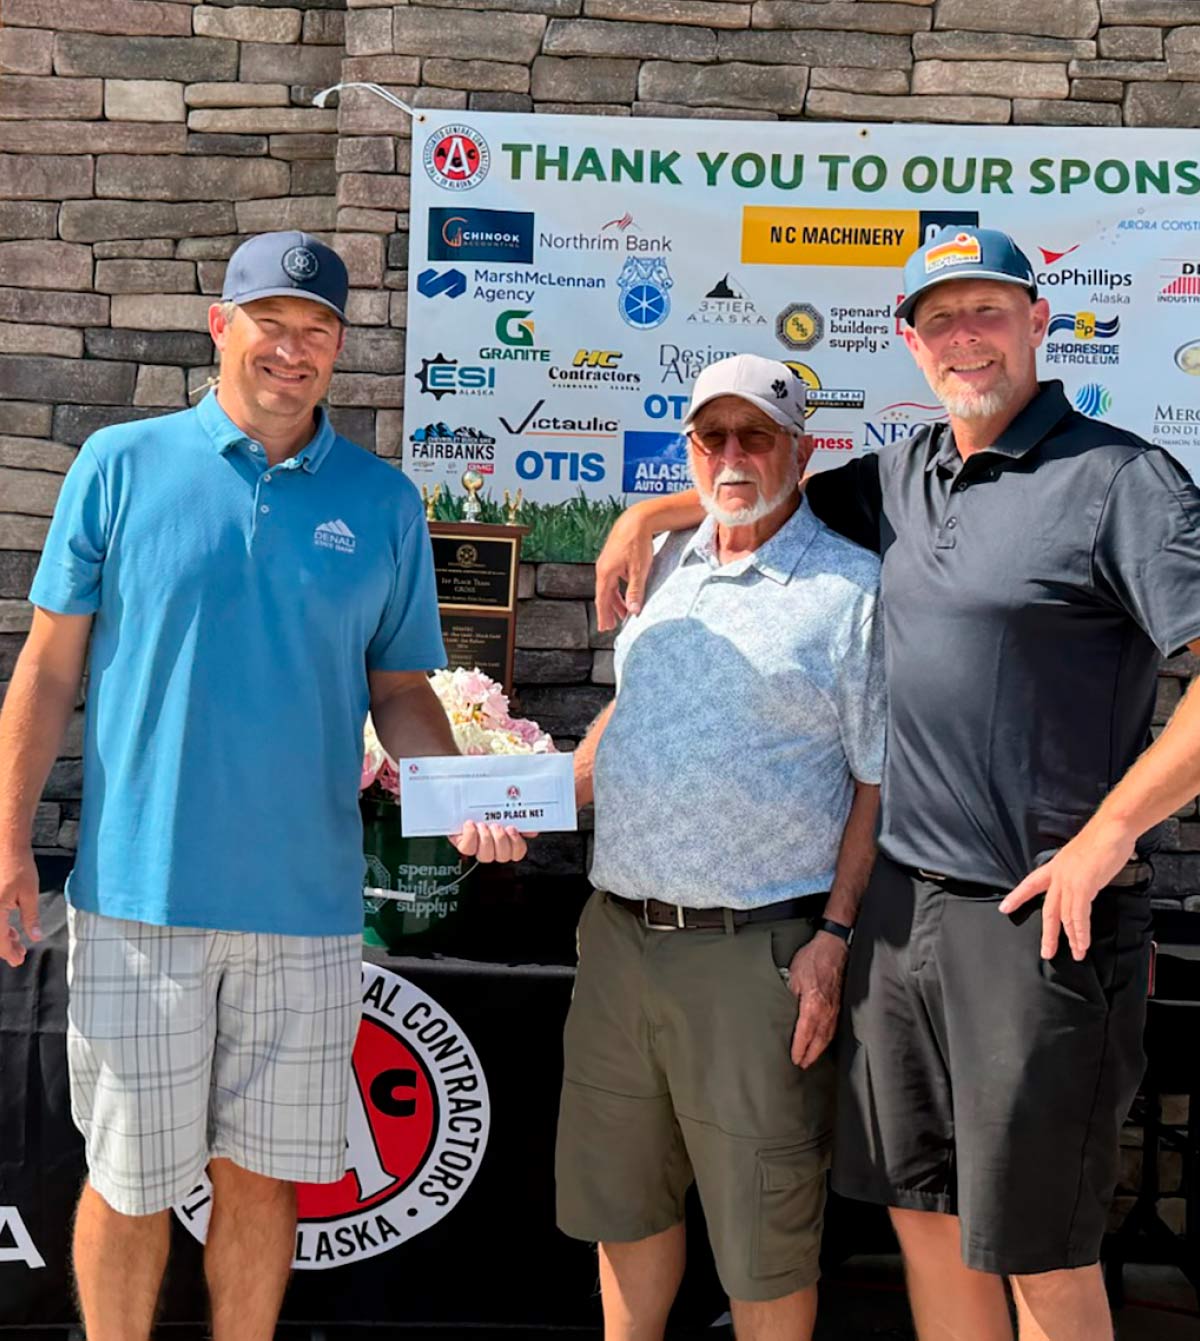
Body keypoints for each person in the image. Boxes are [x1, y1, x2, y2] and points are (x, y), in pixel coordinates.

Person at [592, 226, 1200, 1341]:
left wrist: (1114, 832)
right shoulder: (910, 474)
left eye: (989, 312)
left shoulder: (1120, 478)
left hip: (1038, 925)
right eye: (942, 319)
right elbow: (761, 483)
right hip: (898, 919)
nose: (966, 338)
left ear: (1037, 323)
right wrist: (650, 512)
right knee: (924, 1217)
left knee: (1040, 1254)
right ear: (912, 343)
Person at [0, 231, 527, 1341]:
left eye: (318, 332)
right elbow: (47, 670)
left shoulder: (381, 502)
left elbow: (400, 689)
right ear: (221, 328)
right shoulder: (120, 464)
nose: (294, 351)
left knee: (264, 1181)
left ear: (341, 346)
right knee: (132, 1181)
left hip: (308, 913)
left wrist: (458, 792)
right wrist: (6, 837)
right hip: (143, 901)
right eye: (272, 325)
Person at [562, 354, 885, 1341]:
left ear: (803, 450)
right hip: (618, 941)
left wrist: (834, 935)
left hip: (759, 957)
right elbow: (634, 714)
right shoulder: (663, 568)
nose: (733, 456)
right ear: (689, 451)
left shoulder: (851, 592)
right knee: (625, 1211)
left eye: (757, 436)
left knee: (764, 1236)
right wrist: (518, 797)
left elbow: (881, 780)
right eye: (713, 437)